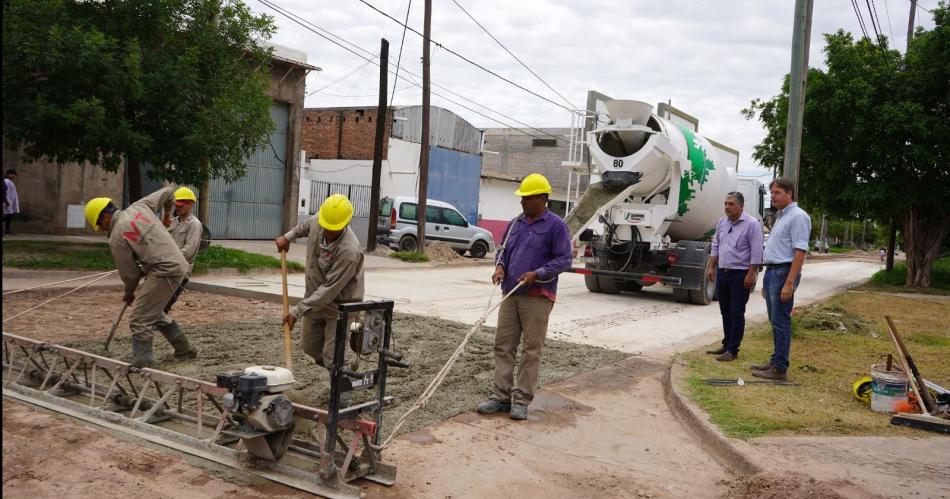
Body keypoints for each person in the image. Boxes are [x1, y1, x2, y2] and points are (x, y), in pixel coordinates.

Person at [476, 173, 573, 421]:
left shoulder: (556, 226)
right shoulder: (516, 223)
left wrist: (537, 274)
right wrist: (500, 267)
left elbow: (564, 260)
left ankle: (521, 400)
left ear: (542, 198)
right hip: (510, 293)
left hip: (537, 296)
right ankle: (500, 396)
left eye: (527, 199)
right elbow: (503, 250)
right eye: (522, 199)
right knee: (503, 345)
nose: (522, 203)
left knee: (531, 350)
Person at [84, 188, 197, 367]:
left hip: (164, 271)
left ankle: (144, 361)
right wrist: (167, 214)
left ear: (104, 217)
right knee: (153, 312)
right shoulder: (140, 207)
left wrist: (129, 293)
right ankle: (184, 349)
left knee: (139, 319)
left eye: (100, 225)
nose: (102, 229)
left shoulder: (116, 236)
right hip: (176, 267)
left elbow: (130, 274)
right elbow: (169, 192)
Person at [276, 194, 364, 374]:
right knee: (309, 347)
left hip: (340, 306)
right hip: (314, 301)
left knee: (334, 357)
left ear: (345, 224)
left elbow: (329, 290)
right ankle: (327, 375)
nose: (327, 231)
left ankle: (342, 387)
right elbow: (306, 225)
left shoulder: (349, 251)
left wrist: (297, 311)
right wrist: (288, 237)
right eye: (325, 226)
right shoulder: (321, 219)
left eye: (333, 229)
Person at [753, 177, 811, 381]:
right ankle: (775, 360)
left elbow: (800, 251)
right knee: (774, 320)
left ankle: (780, 369)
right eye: (772, 193)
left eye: (777, 193)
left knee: (781, 321)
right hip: (773, 272)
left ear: (789, 193)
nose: (773, 197)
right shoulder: (782, 216)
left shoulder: (798, 216)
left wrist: (789, 282)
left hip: (783, 273)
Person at [705, 192, 763, 362]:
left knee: (736, 312)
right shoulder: (722, 222)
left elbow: (757, 252)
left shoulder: (751, 224)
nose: (727, 207)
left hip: (740, 274)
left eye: (731, 204)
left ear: (741, 206)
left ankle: (733, 349)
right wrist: (711, 267)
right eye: (725, 204)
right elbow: (716, 245)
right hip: (723, 273)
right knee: (725, 311)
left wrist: (751, 274)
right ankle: (726, 343)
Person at [163, 187, 203, 313]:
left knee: (162, 309)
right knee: (155, 308)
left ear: (190, 204)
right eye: (176, 205)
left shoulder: (194, 225)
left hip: (179, 273)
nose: (178, 208)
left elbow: (188, 252)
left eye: (181, 205)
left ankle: (172, 332)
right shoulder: (172, 222)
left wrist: (167, 259)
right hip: (165, 270)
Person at [4, 169, 20, 236]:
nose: (13, 175)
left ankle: (7, 230)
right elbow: (6, 192)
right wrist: (7, 201)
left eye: (14, 174)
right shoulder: (6, 181)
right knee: (7, 216)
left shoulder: (11, 182)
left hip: (11, 202)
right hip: (7, 202)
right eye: (11, 174)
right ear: (7, 174)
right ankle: (7, 230)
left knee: (9, 216)